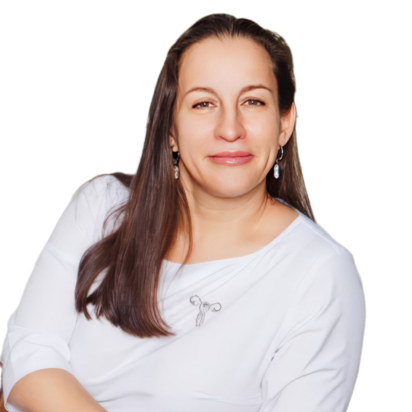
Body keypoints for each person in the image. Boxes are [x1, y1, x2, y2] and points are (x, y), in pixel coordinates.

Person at [1, 12, 367, 412]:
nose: (230, 129)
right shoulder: (101, 206)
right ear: (170, 129)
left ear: (284, 123)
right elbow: (24, 360)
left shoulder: (321, 273)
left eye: (253, 101)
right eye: (203, 103)